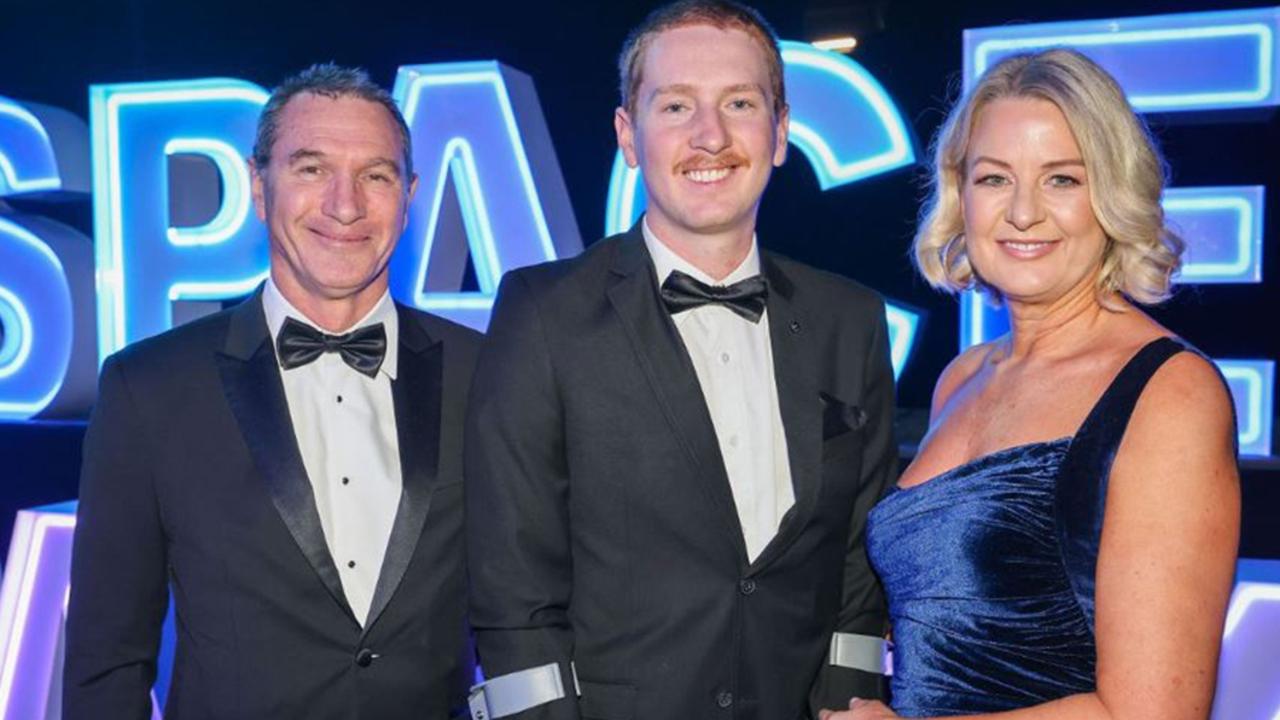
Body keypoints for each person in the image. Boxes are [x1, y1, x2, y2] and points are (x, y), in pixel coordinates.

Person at [464, 2, 897, 718]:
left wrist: (852, 703)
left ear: (781, 133)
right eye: (675, 106)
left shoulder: (848, 320)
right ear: (628, 136)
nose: (711, 136)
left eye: (739, 102)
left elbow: (858, 563)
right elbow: (514, 591)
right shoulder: (544, 313)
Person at [824, 49, 1240, 720]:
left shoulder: (1170, 394)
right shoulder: (962, 377)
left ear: (1111, 193)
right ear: (962, 197)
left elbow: (1154, 714)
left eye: (1062, 180)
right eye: (994, 179)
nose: (1023, 212)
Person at [64, 64, 480, 719]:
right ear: (259, 188)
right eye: (311, 169)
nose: (346, 205)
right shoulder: (149, 389)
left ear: (410, 196)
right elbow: (105, 663)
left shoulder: (486, 372)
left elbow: (531, 617)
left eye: (376, 175)